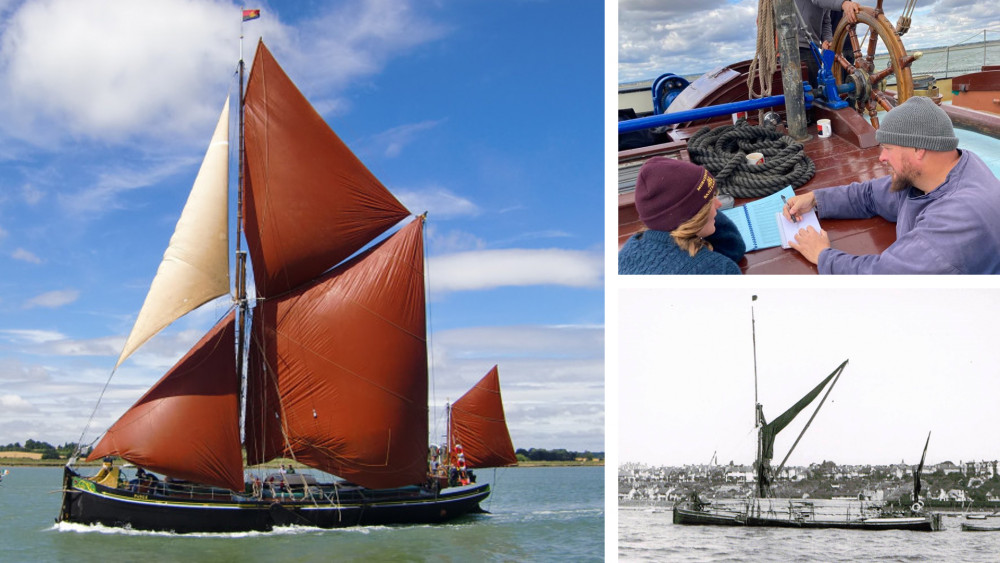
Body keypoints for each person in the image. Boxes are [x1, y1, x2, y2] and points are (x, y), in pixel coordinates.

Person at [783, 96, 1000, 274]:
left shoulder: (958, 218)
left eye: (887, 148)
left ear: (918, 149)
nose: (881, 158)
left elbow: (884, 279)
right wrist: (816, 199)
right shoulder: (935, 171)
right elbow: (869, 195)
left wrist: (822, 255)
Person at [619, 157, 745, 274]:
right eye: (710, 201)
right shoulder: (719, 269)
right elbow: (734, 249)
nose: (719, 204)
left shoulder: (631, 248)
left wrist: (702, 207)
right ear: (694, 216)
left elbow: (734, 249)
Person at [794, 0, 860, 87]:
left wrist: (828, 40)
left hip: (812, 48)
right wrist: (844, 4)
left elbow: (826, 22)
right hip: (797, 47)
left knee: (815, 92)